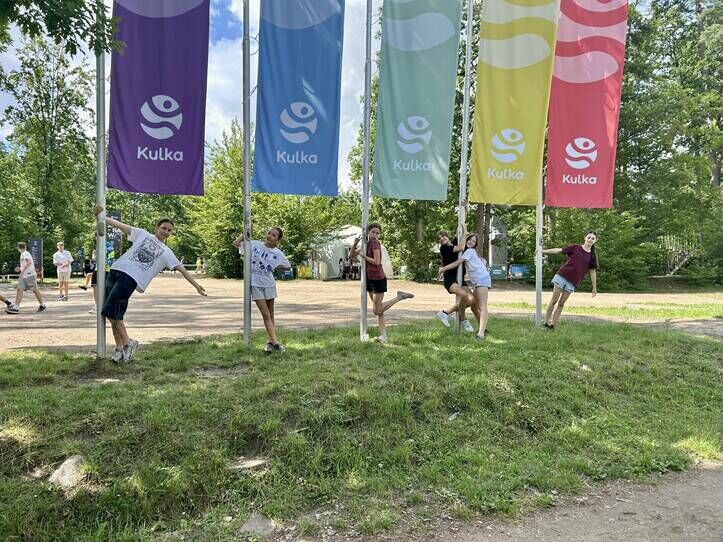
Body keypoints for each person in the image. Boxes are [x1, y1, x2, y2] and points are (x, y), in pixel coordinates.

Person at [95, 205, 207, 363]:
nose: (166, 232)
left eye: (169, 230)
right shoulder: (142, 234)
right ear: (157, 227)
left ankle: (129, 343)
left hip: (131, 278)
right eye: (164, 228)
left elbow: (182, 269)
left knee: (113, 312)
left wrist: (196, 286)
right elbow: (119, 225)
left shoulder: (167, 252)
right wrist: (100, 216)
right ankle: (120, 349)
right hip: (115, 270)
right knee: (109, 313)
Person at [350, 223, 414, 343]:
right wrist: (355, 244)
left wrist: (363, 256)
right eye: (373, 232)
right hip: (369, 279)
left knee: (377, 310)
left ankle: (399, 297)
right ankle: (383, 336)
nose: (375, 235)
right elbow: (351, 255)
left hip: (377, 278)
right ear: (368, 232)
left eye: (377, 233)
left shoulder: (375, 243)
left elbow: (377, 261)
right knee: (380, 310)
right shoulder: (366, 244)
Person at [234, 228, 291, 353]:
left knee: (270, 314)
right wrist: (245, 232)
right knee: (265, 314)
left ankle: (270, 343)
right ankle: (276, 343)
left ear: (278, 240)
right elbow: (236, 243)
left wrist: (273, 266)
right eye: (269, 233)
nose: (270, 236)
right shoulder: (255, 244)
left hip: (269, 284)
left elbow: (287, 265)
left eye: (274, 235)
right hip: (255, 284)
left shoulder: (278, 253)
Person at [439, 229, 491, 340]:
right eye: (469, 240)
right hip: (458, 280)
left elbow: (460, 251)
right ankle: (470, 323)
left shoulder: (469, 251)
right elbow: (460, 241)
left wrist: (465, 230)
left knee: (480, 305)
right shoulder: (445, 248)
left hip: (481, 279)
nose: (471, 242)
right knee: (473, 303)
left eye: (474, 241)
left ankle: (481, 333)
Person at [542, 231, 598, 329]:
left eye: (592, 238)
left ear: (595, 241)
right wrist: (543, 251)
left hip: (573, 282)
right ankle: (546, 323)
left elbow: (592, 272)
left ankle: (552, 325)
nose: (590, 240)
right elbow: (559, 250)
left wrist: (594, 287)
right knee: (554, 300)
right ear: (585, 238)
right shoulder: (575, 247)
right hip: (562, 276)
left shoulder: (592, 256)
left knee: (561, 303)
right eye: (589, 237)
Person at [434, 230, 479, 333]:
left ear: (447, 236)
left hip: (461, 279)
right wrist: (465, 234)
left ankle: (445, 313)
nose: (442, 239)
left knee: (472, 300)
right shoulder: (444, 248)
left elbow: (459, 234)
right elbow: (461, 247)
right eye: (439, 238)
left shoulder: (453, 243)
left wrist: (464, 230)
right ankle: (464, 319)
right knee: (464, 295)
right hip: (450, 279)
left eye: (443, 236)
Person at [12, 241, 46, 313]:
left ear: (18, 248)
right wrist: (20, 268)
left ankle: (42, 305)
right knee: (19, 289)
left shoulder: (25, 253)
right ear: (25, 247)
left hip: (29, 275)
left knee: (35, 290)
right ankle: (16, 307)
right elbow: (26, 264)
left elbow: (29, 263)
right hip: (24, 276)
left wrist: (22, 271)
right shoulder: (23, 254)